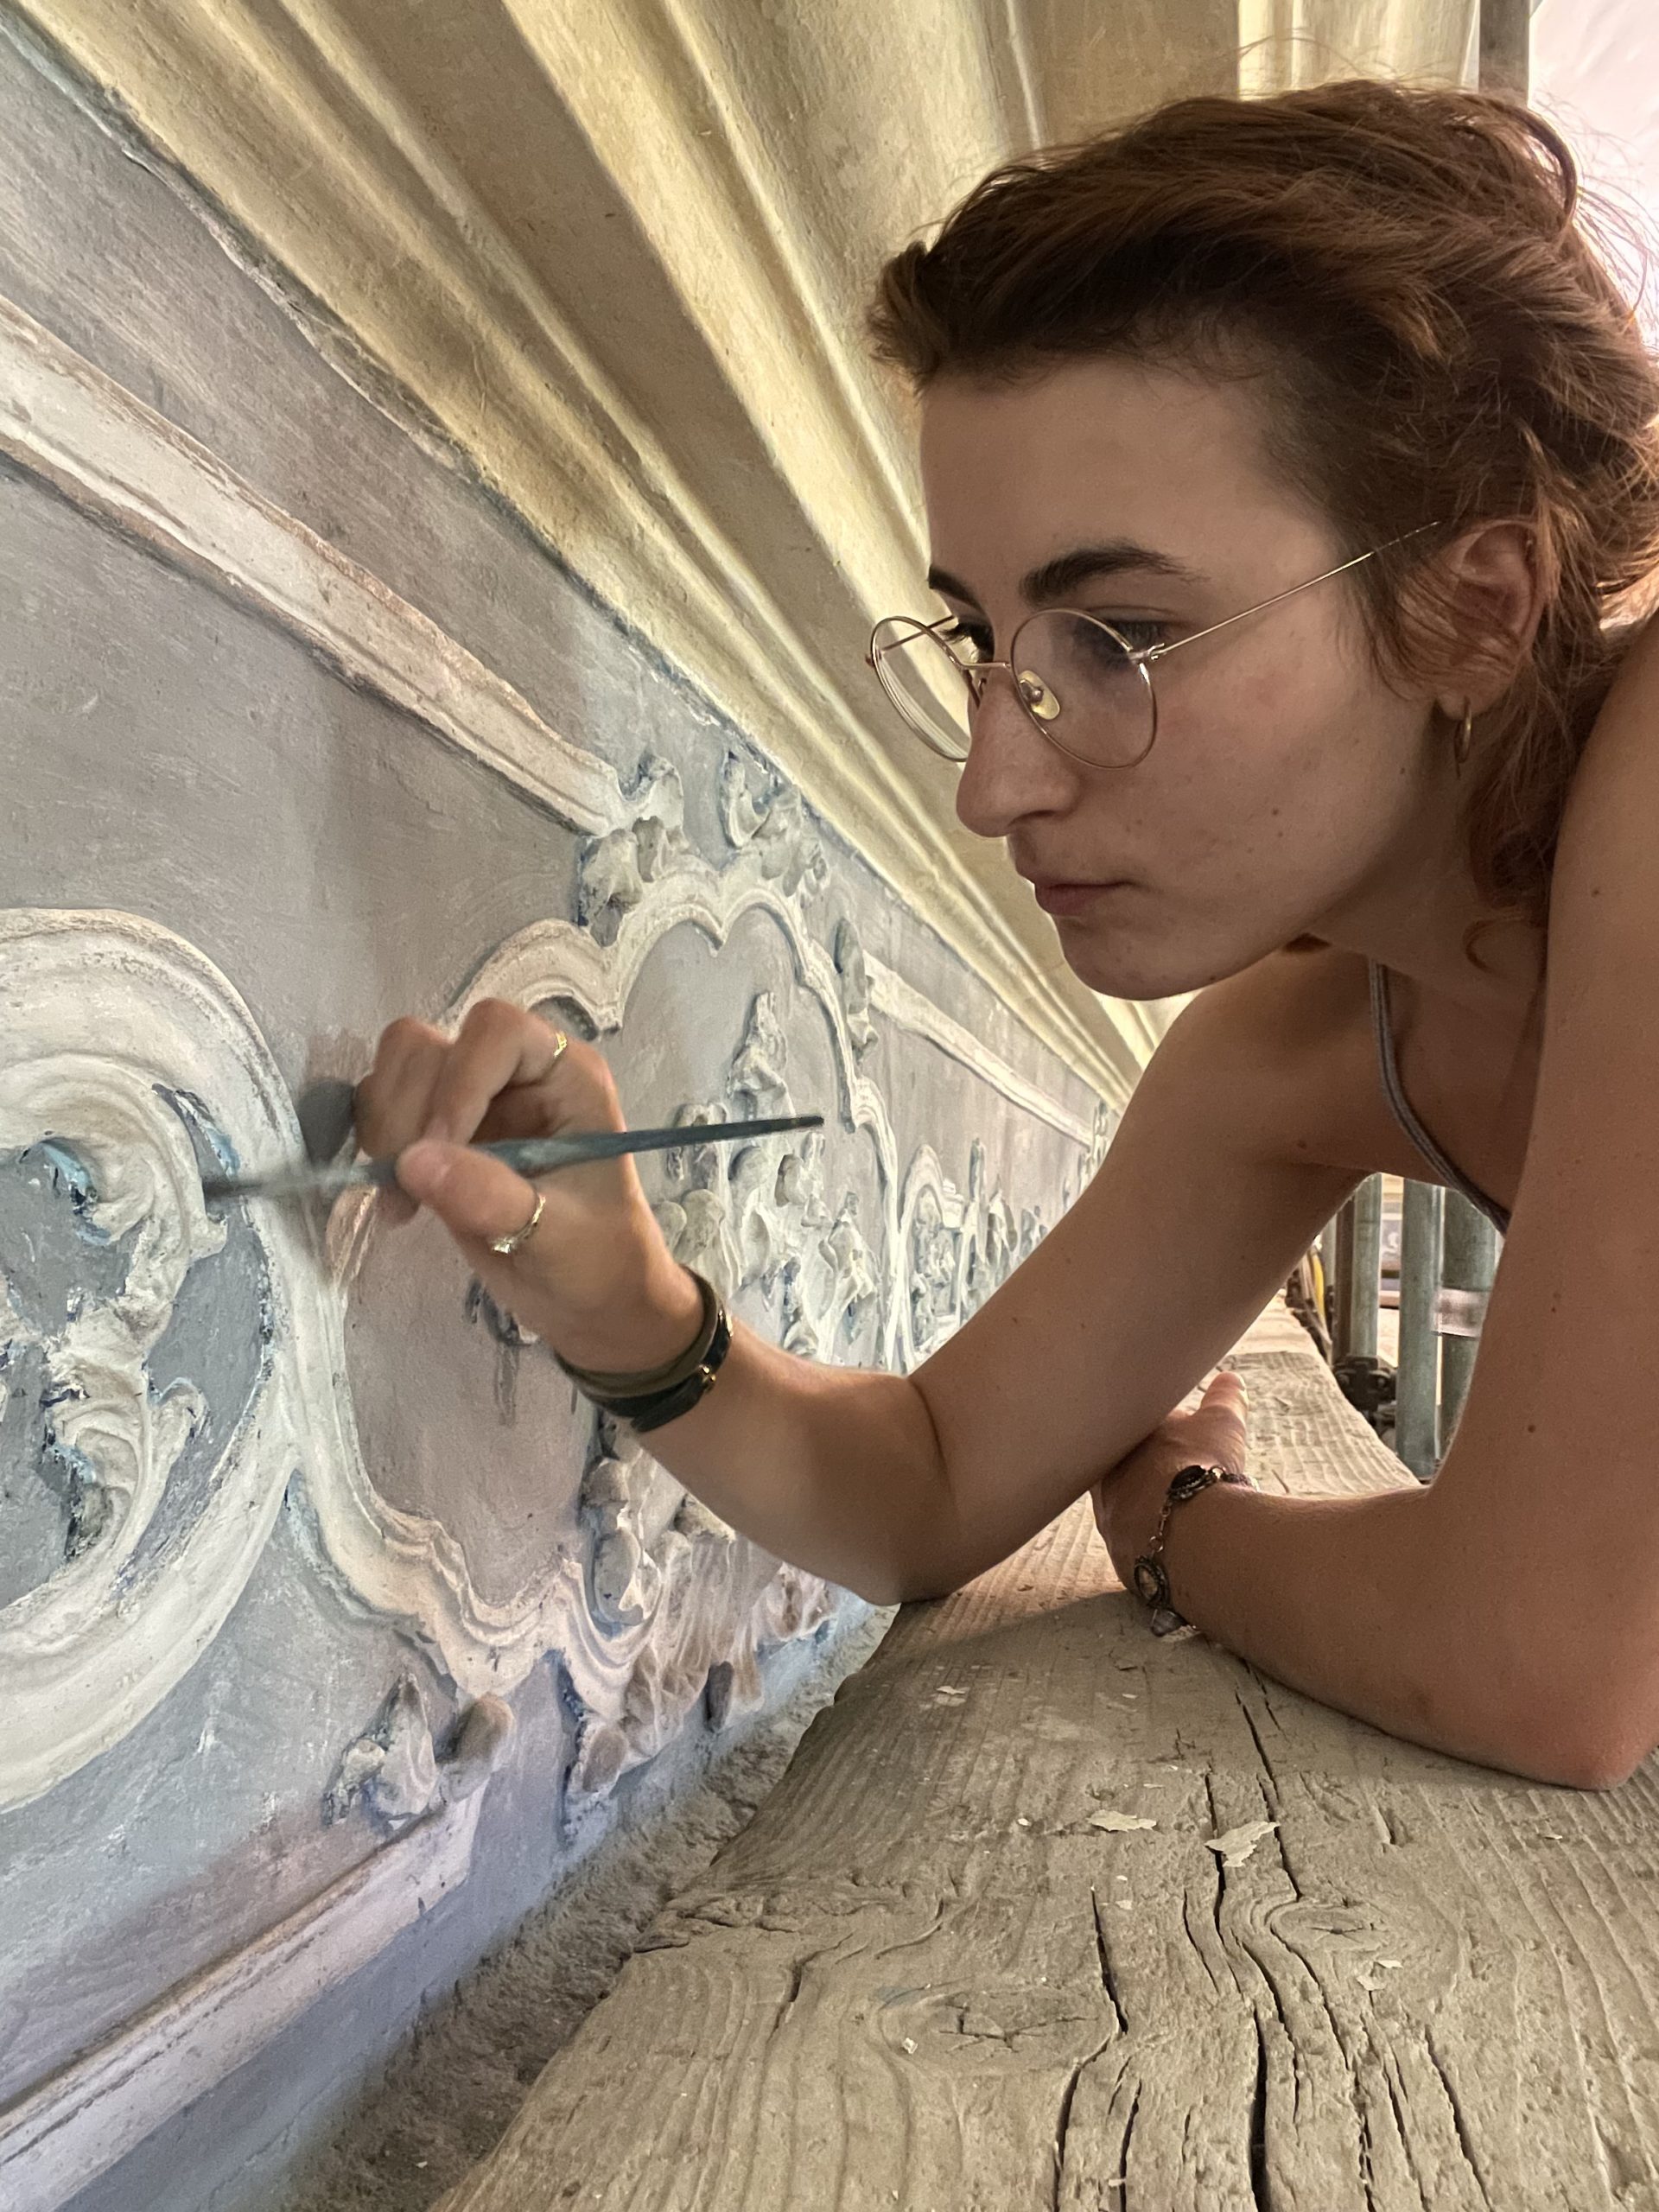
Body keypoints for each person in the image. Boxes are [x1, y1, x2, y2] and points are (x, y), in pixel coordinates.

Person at [356, 79, 1659, 1792]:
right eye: (983, 640)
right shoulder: (1307, 1043)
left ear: (1475, 607)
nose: (993, 782)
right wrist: (627, 1304)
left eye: (1120, 637)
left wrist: (1177, 1518)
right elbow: (929, 1480)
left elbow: (1530, 1658)